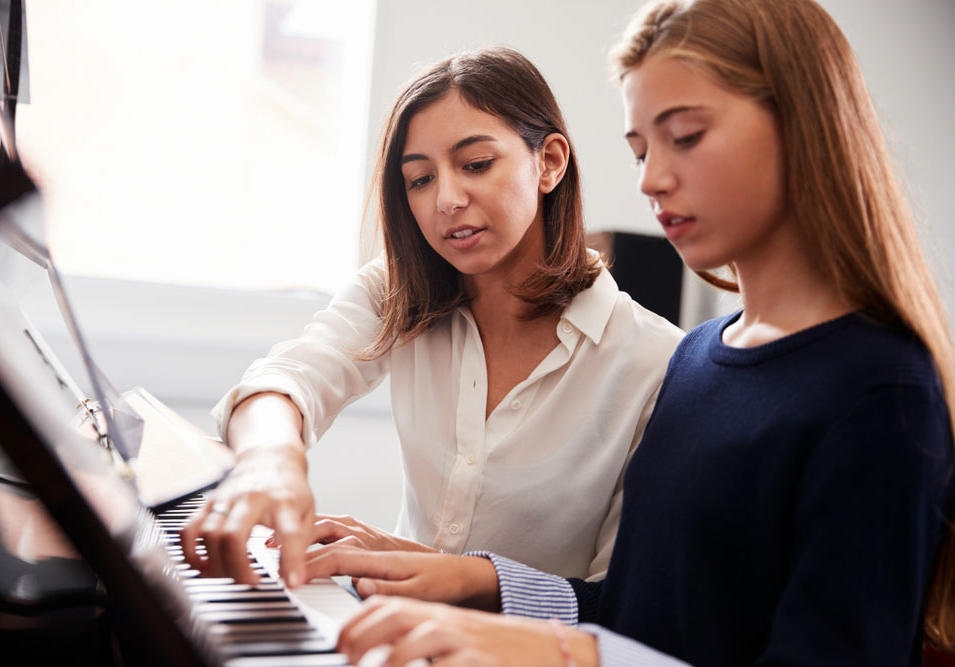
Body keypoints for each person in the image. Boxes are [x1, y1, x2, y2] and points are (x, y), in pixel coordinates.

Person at [302, 0, 955, 664]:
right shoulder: (703, 358)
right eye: (640, 148)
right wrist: (474, 579)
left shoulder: (881, 390)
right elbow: (639, 614)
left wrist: (565, 654)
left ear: (801, 126)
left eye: (686, 136)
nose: (649, 179)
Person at [179, 47, 683, 589]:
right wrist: (269, 461)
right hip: (386, 626)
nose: (446, 199)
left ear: (550, 162)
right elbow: (290, 378)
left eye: (476, 165)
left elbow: (621, 604)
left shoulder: (655, 364)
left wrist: (451, 576)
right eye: (419, 179)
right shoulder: (400, 292)